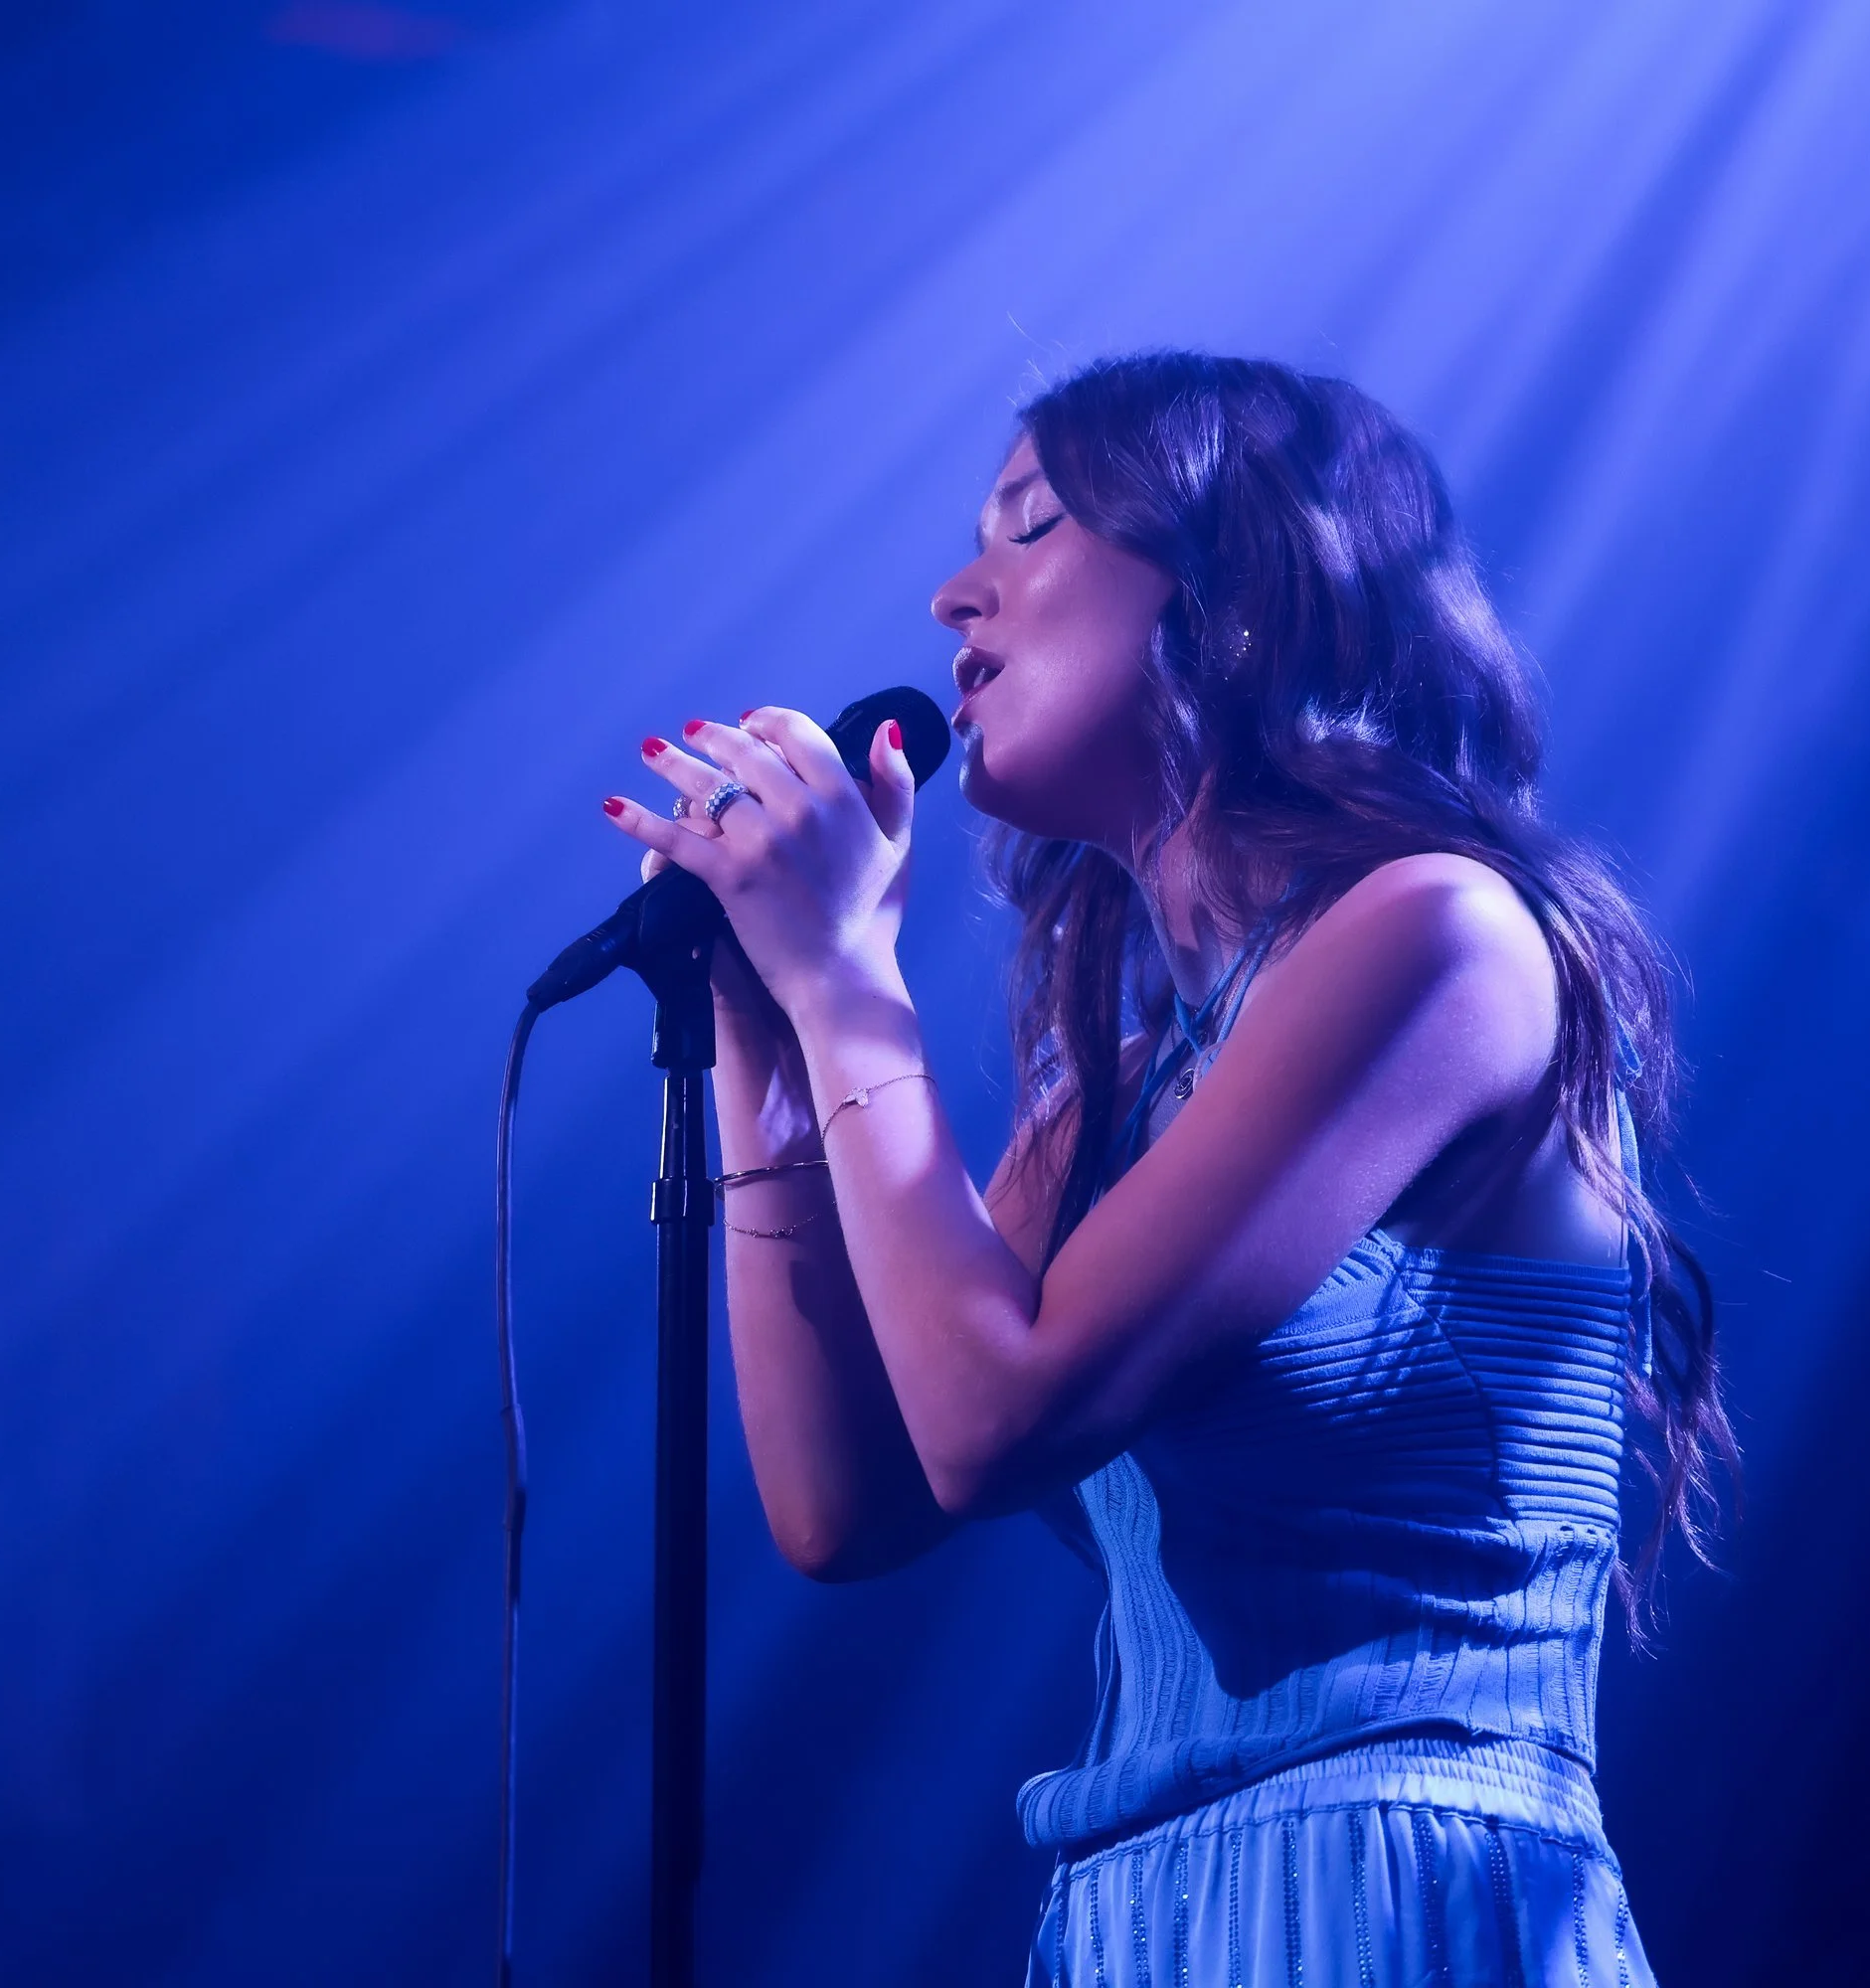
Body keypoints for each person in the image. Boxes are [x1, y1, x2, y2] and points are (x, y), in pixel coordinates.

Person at [599, 353, 1735, 1985]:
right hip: (1144, 1921)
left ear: (1233, 585)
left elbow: (999, 1420)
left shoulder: (1444, 937)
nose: (953, 595)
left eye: (1031, 526)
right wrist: (765, 1031)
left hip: (1391, 1898)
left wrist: (849, 982)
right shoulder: (1122, 1096)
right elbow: (848, 1501)